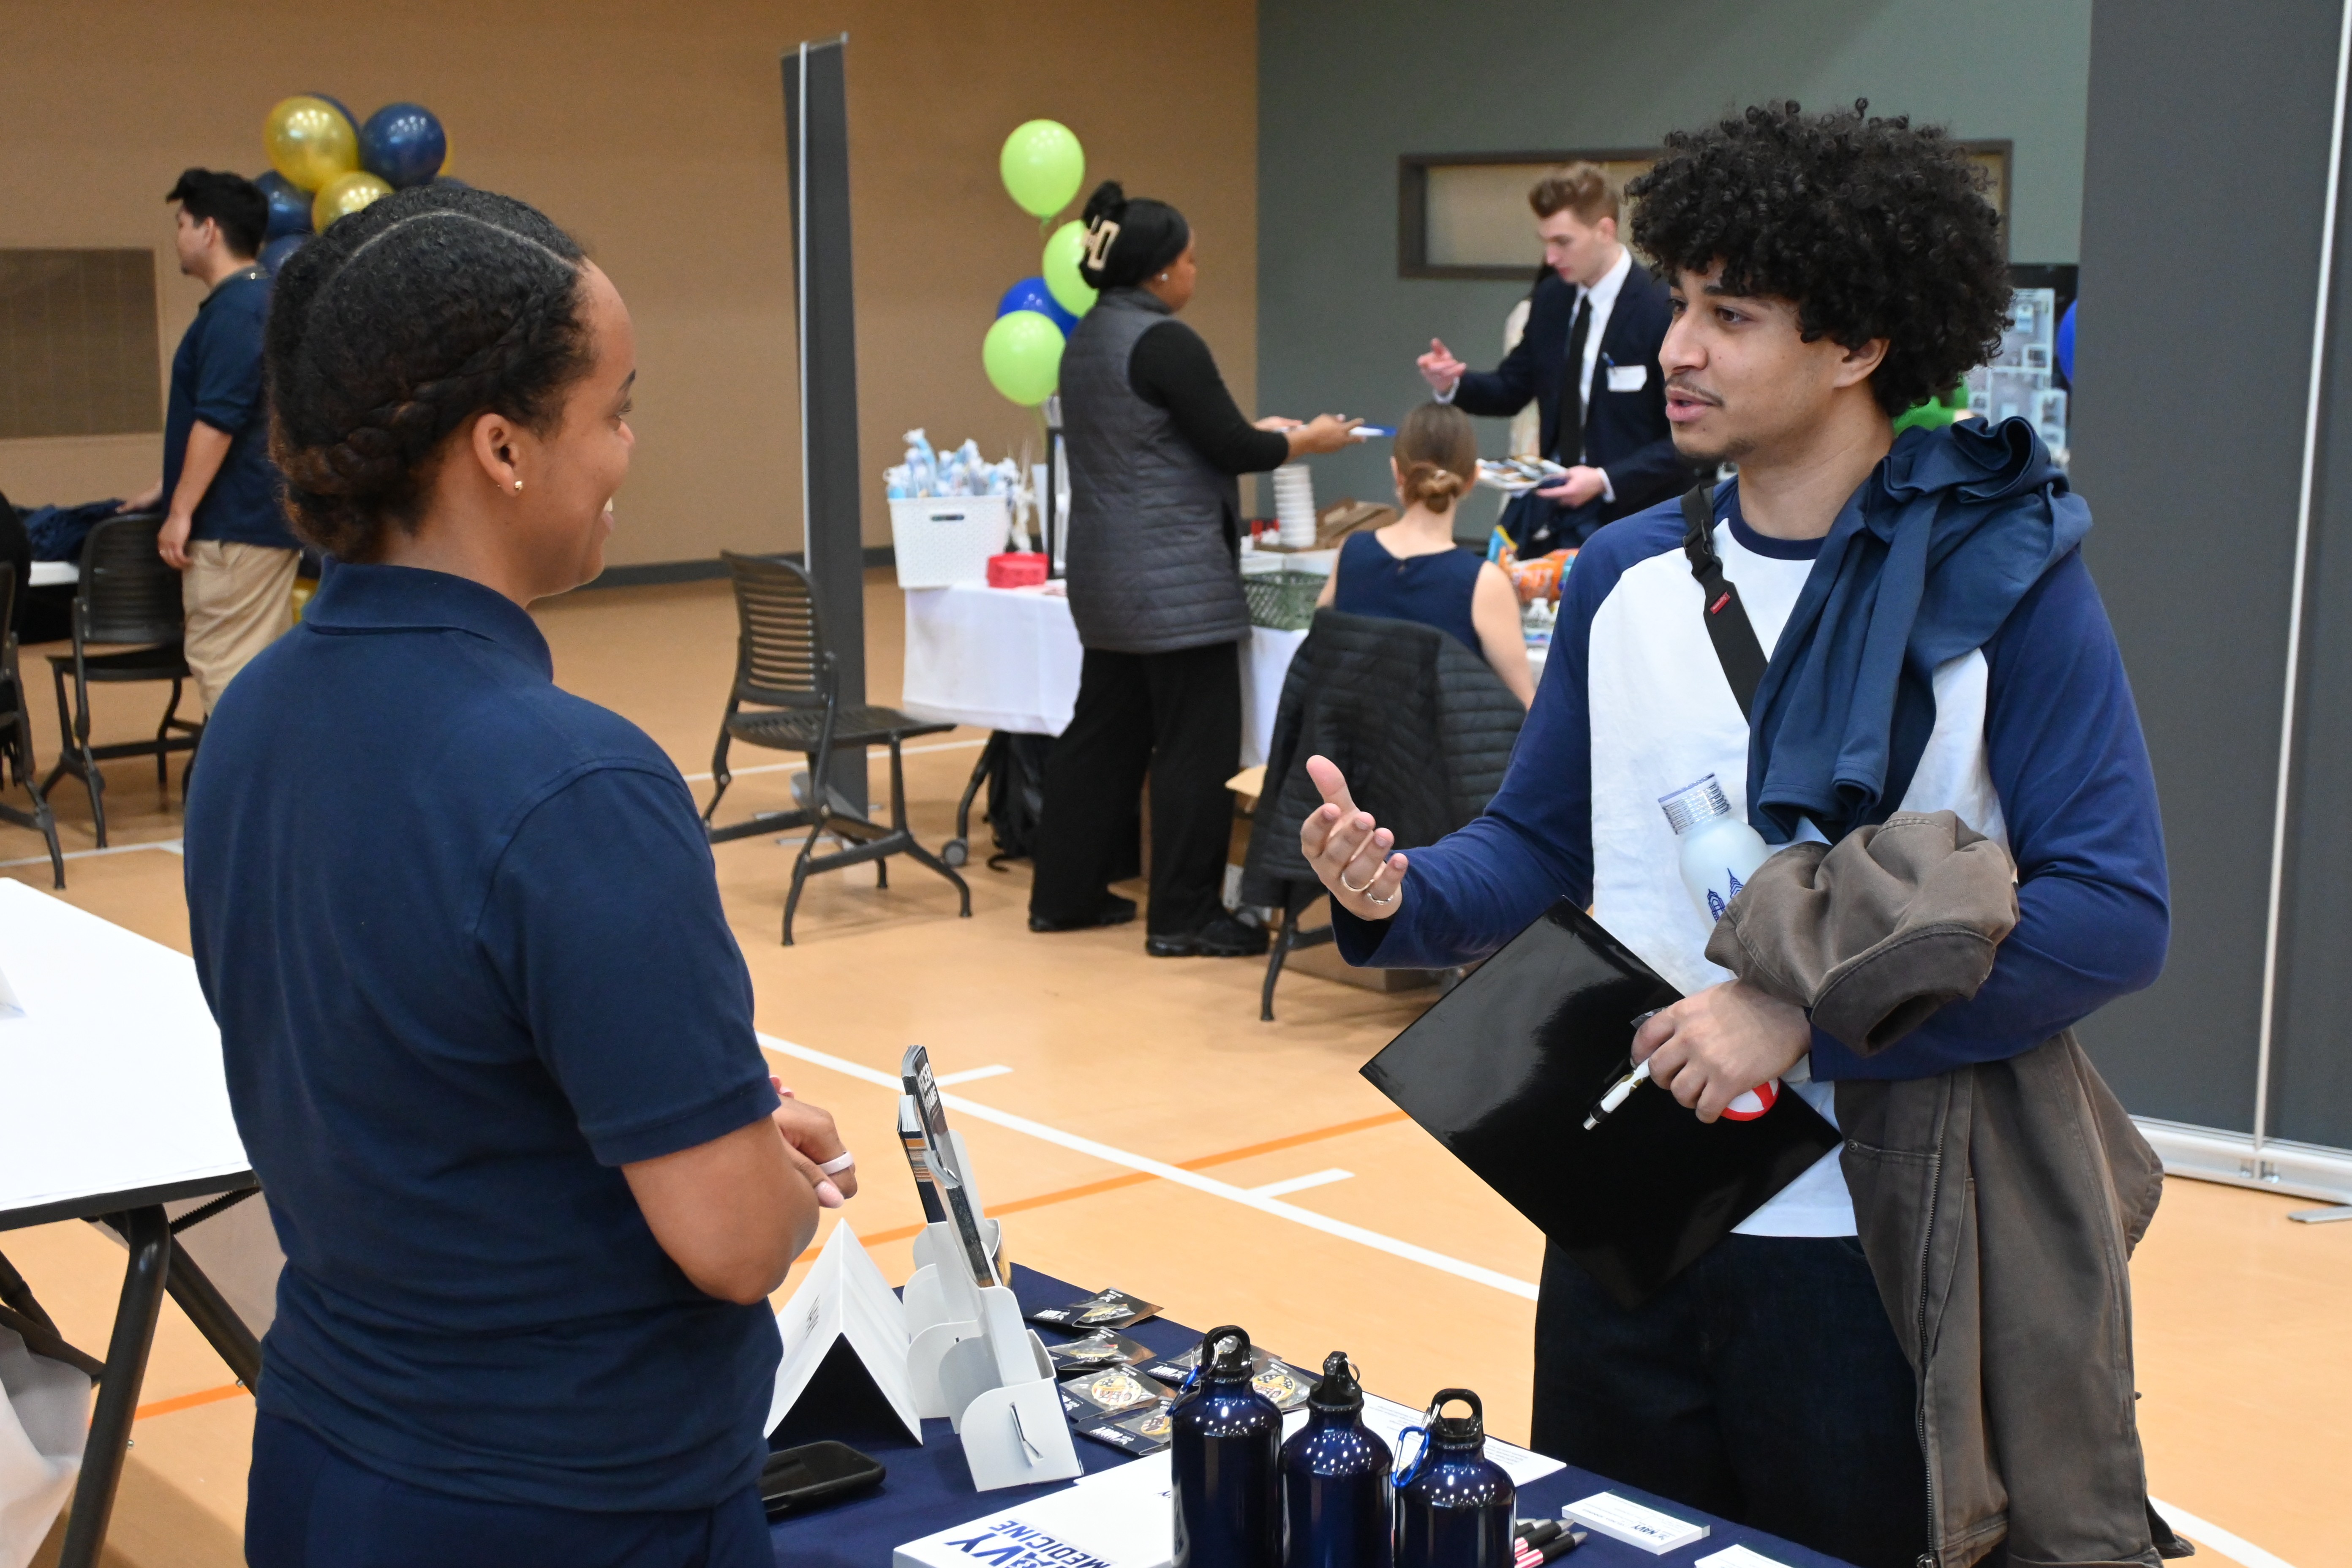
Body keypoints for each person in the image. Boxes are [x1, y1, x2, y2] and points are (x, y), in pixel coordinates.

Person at [1301, 103, 2168, 1568]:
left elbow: (2109, 911)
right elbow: (1537, 849)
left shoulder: (2004, 580)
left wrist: (1798, 1021)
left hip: (1867, 1247)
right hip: (1623, 1220)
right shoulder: (1627, 573)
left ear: (1855, 347)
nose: (1674, 351)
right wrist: (1395, 891)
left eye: (1730, 314)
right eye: (1678, 302)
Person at [183, 185, 854, 1568]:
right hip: (561, 1502)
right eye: (612, 410)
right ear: (500, 447)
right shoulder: (573, 784)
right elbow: (732, 1243)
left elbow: (424, 1089)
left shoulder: (252, 718)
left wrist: (706, 1123)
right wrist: (774, 1182)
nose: (626, 450)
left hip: (320, 1458)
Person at [1029, 180, 1357, 956]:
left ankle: (1063, 894)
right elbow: (1234, 448)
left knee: (1099, 737)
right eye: (1190, 260)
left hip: (1106, 574)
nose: (1194, 272)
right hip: (1172, 582)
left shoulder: (1085, 338)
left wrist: (1251, 432)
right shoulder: (1166, 340)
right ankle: (1182, 915)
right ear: (1157, 272)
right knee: (1193, 747)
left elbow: (1160, 438)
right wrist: (1305, 440)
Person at [1415, 163, 1686, 555]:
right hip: (1556, 511)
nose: (1551, 256)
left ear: (1605, 231)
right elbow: (1513, 387)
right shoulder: (1551, 299)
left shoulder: (1662, 306)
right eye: (1545, 242)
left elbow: (1688, 440)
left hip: (1638, 516)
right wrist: (1453, 383)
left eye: (1563, 242)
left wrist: (1605, 479)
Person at [117, 170, 301, 715]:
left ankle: (239, 799)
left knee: (227, 672)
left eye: (181, 224)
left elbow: (219, 421)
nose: (178, 236)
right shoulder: (259, 303)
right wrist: (167, 484)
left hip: (232, 535)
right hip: (252, 523)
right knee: (254, 672)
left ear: (209, 230)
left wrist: (180, 511)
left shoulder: (236, 312)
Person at [1316, 402, 1535, 706]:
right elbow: (1525, 706)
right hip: (1442, 752)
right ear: (1473, 478)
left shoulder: (1352, 552)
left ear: (1397, 472)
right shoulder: (1482, 584)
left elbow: (1319, 648)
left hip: (1348, 749)